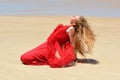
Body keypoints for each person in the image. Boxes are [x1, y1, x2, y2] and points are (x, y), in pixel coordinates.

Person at [20, 16, 95, 68]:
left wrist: (73, 58)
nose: (72, 16)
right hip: (48, 44)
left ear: (75, 22)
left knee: (24, 58)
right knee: (26, 57)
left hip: (54, 47)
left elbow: (72, 44)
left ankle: (49, 59)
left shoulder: (71, 29)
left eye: (75, 16)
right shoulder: (71, 27)